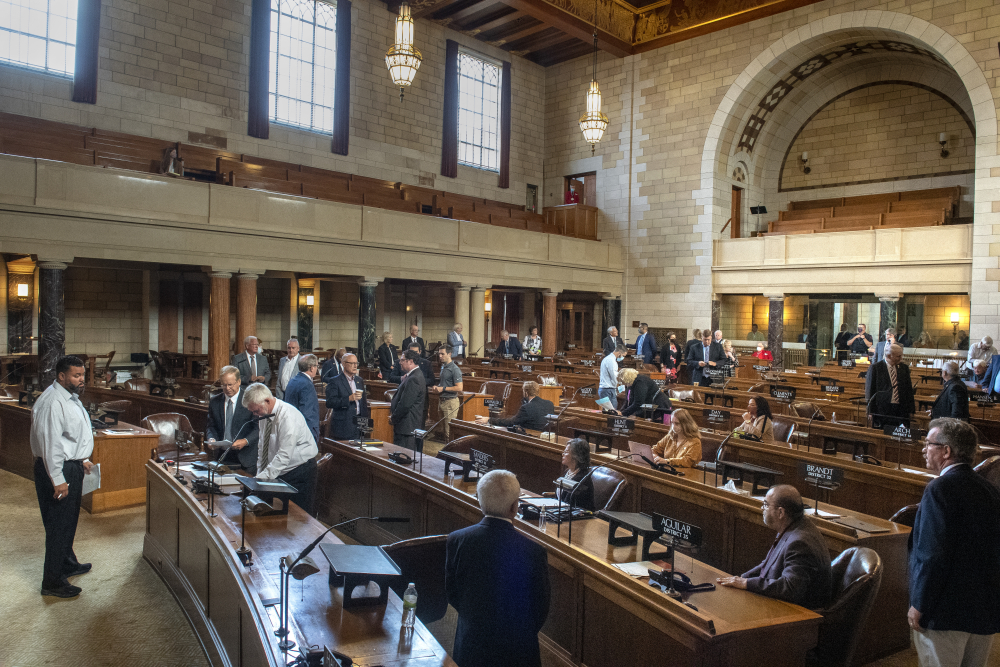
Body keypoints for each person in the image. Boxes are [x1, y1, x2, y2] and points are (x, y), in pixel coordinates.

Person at [908, 418, 1000, 666]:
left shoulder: (940, 489)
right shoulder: (991, 490)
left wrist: (919, 603)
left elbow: (932, 554)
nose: (924, 449)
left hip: (945, 612)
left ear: (946, 450)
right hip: (984, 611)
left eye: (928, 444)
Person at [446, 470, 549, 667]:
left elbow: (453, 592)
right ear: (514, 507)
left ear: (480, 501)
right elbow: (540, 607)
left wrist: (476, 618)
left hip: (471, 644)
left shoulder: (457, 539)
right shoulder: (534, 551)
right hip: (519, 649)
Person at [30, 355, 96, 598]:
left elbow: (71, 437)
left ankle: (67, 563)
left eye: (82, 375)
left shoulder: (70, 398)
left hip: (71, 465)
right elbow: (51, 445)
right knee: (58, 525)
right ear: (61, 376)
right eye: (76, 375)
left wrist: (83, 459)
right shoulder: (52, 402)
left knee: (68, 521)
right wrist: (58, 478)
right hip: (57, 469)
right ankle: (52, 582)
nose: (82, 379)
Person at [718, 485, 833, 609]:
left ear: (781, 512)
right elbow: (767, 564)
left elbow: (789, 588)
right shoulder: (793, 526)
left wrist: (746, 583)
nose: (762, 508)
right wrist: (742, 578)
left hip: (797, 616)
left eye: (766, 505)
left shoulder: (800, 543)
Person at [243, 383, 318, 514]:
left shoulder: (288, 416)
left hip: (300, 470)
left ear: (267, 401)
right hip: (280, 469)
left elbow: (284, 455)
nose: (255, 415)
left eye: (256, 410)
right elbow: (262, 447)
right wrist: (259, 475)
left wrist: (261, 480)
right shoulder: (264, 414)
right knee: (273, 515)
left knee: (299, 518)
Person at [205, 365, 259, 473]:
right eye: (224, 385)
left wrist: (245, 441)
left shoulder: (251, 399)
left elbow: (258, 427)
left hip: (245, 458)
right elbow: (211, 426)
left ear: (238, 382)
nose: (227, 388)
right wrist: (211, 439)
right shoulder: (215, 402)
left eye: (230, 384)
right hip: (222, 456)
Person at [865, 343, 915, 429]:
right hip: (882, 409)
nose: (901, 358)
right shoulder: (876, 368)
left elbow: (908, 390)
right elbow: (870, 390)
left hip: (901, 409)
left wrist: (911, 410)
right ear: (889, 355)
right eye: (898, 356)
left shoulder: (904, 368)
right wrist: (870, 411)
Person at [476, 381, 554, 431]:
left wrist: (489, 419)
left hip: (529, 438)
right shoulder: (550, 404)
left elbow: (511, 422)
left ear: (526, 392)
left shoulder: (526, 407)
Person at [325, 353, 370, 440]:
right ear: (344, 364)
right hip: (343, 426)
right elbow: (330, 402)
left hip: (358, 425)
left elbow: (363, 403)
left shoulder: (359, 380)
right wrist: (349, 399)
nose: (355, 366)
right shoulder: (334, 381)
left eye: (356, 363)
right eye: (352, 363)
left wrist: (365, 424)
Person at [389, 350, 427, 451]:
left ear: (410, 361)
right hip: (406, 427)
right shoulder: (413, 375)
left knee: (404, 459)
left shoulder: (414, 378)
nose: (400, 362)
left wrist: (393, 418)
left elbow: (405, 404)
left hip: (406, 428)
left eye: (402, 360)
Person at [283, 354, 320, 443]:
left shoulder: (293, 380)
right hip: (304, 433)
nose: (317, 369)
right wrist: (312, 434)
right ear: (311, 368)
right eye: (316, 366)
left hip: (291, 428)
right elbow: (307, 412)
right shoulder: (307, 385)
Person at [430, 345, 463, 441]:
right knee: (443, 431)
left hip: (451, 402)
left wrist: (443, 388)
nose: (440, 356)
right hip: (442, 401)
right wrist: (438, 387)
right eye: (439, 353)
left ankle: (450, 455)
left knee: (449, 433)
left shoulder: (455, 369)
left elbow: (459, 387)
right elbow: (444, 383)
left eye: (442, 354)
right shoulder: (443, 366)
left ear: (449, 354)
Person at [557, 438, 595, 511]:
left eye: (566, 452)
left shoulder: (582, 478)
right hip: (563, 513)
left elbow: (568, 503)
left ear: (575, 456)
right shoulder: (568, 472)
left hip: (579, 518)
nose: (563, 454)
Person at [599, 344, 624, 410]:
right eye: (623, 355)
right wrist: (620, 386)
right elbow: (614, 376)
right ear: (619, 352)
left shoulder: (609, 359)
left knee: (610, 411)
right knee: (611, 412)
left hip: (607, 389)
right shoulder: (611, 360)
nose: (622, 358)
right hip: (607, 389)